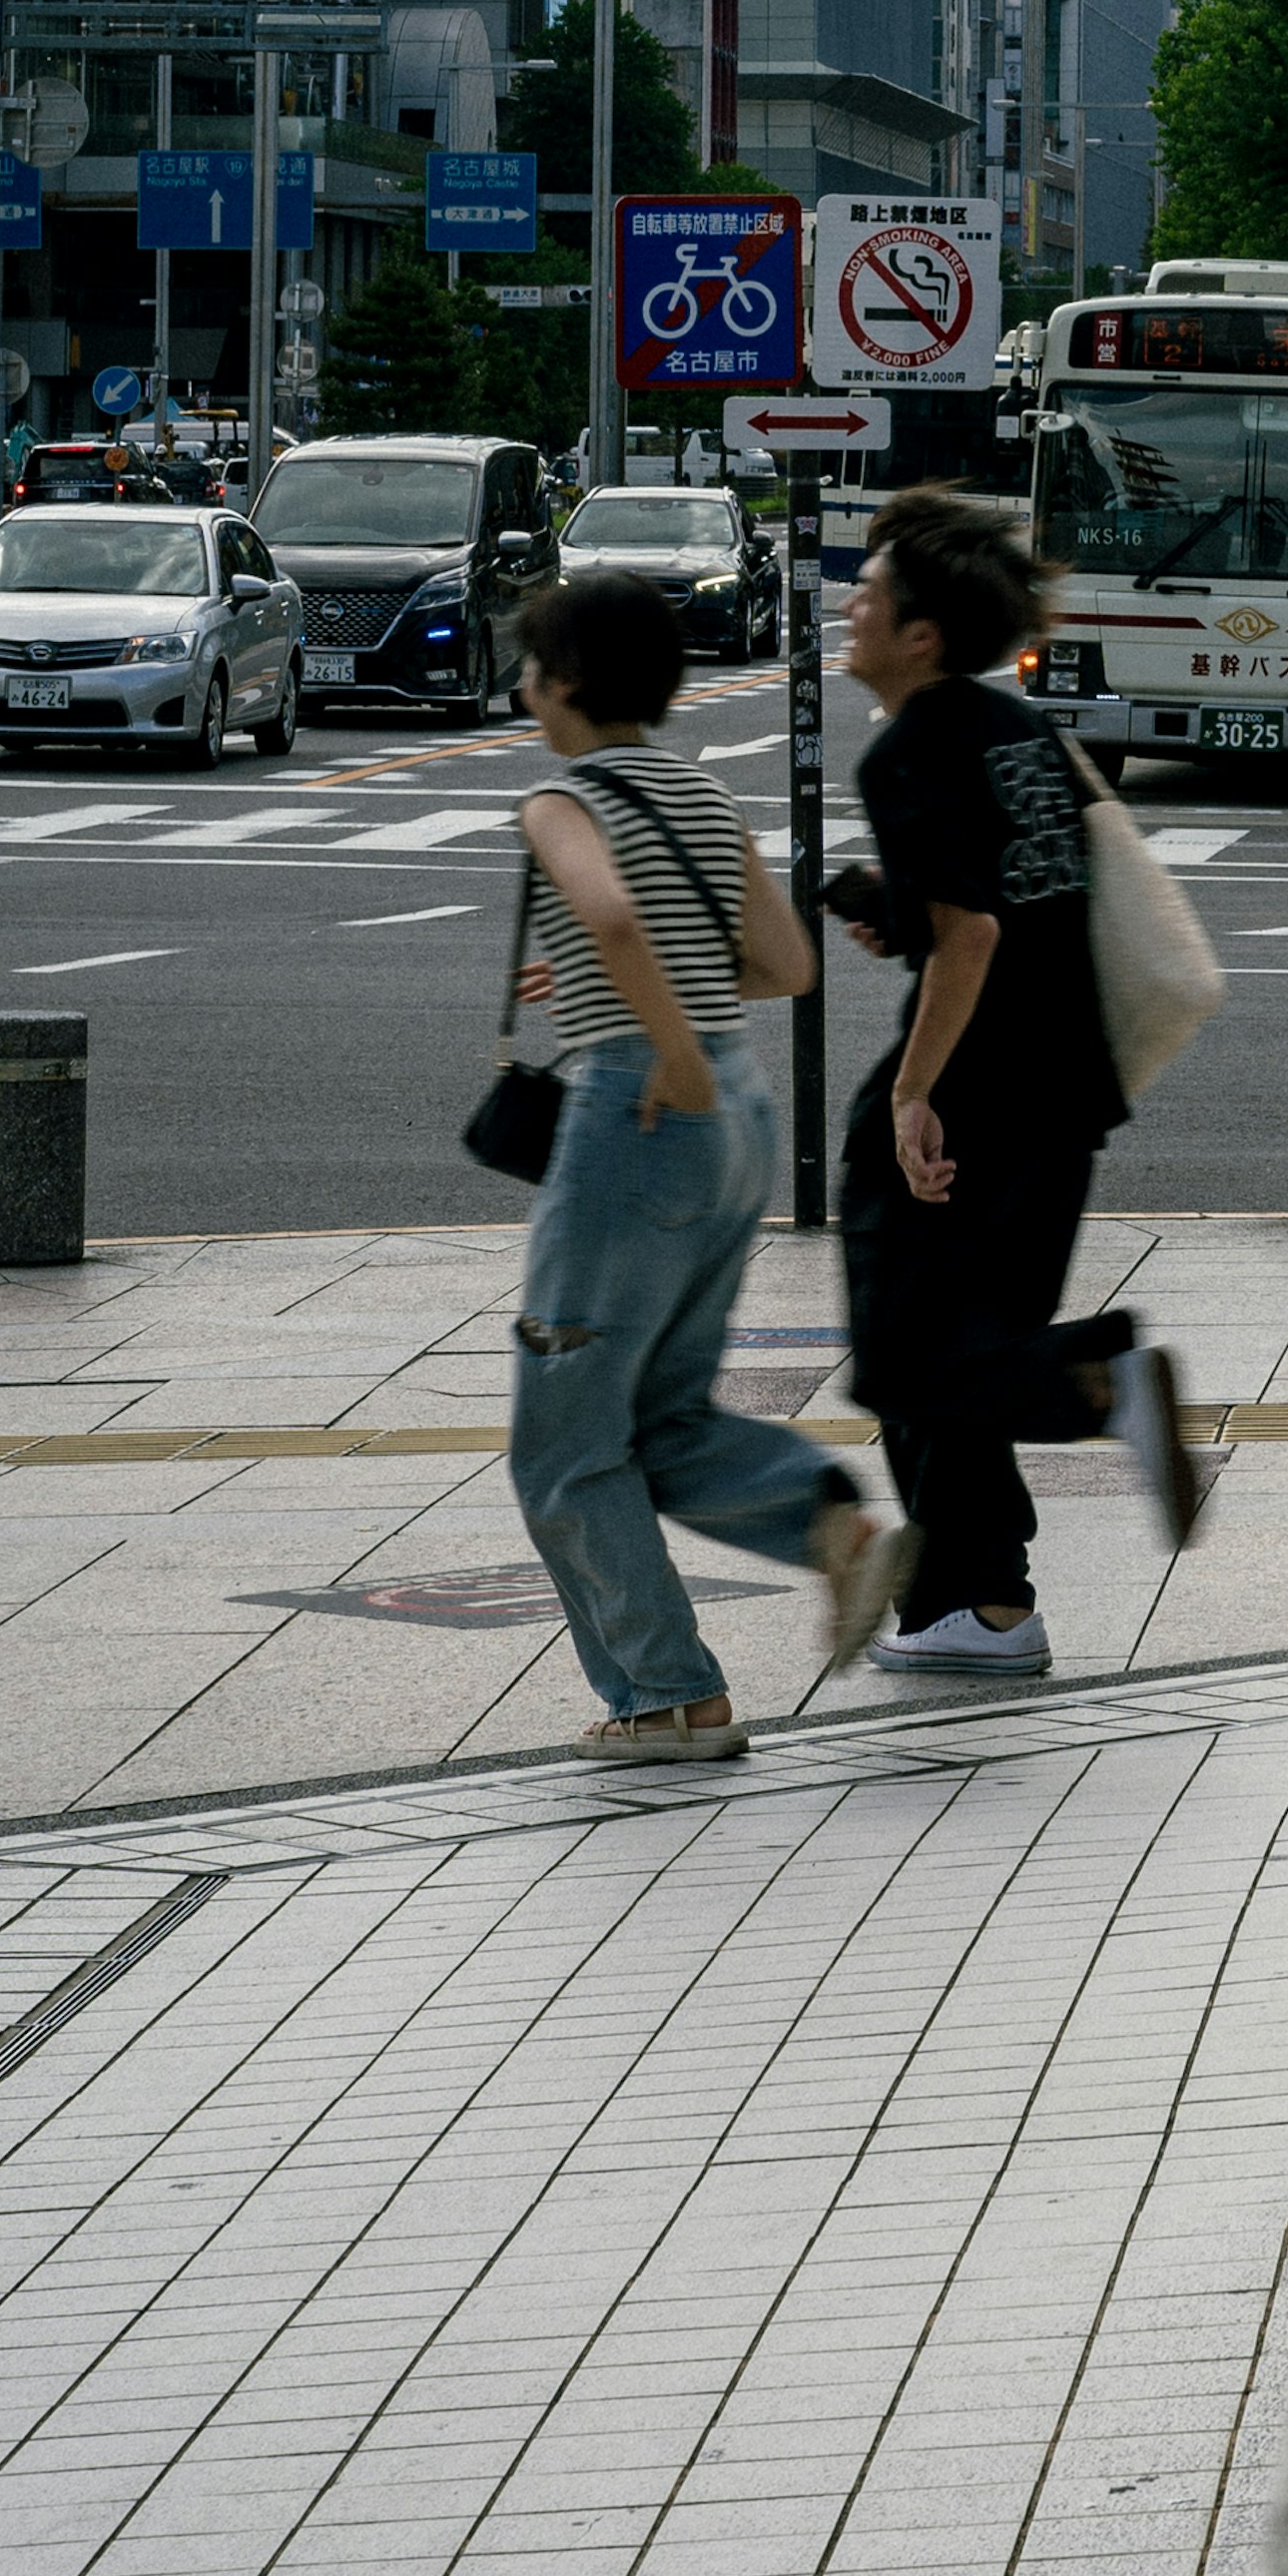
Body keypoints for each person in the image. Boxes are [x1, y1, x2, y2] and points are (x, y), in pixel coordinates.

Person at [502, 569, 916, 1764]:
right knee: (660, 1418)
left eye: (532, 665)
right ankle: (827, 1523)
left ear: (566, 681)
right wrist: (665, 1020)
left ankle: (667, 1698)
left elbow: (618, 920)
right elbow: (786, 963)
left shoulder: (560, 800)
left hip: (641, 1113)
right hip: (735, 1109)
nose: (523, 687)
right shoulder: (700, 790)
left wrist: (657, 1043)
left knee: (564, 1442)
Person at [828, 484, 1187, 1673]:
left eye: (871, 594)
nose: (851, 604)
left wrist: (910, 1094)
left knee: (908, 1360)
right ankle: (979, 1610)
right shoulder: (1022, 730)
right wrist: (903, 915)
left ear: (921, 634)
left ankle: (1102, 1387)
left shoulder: (908, 751)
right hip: (1068, 1087)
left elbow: (976, 932)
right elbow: (1021, 902)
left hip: (980, 1092)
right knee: (965, 1346)